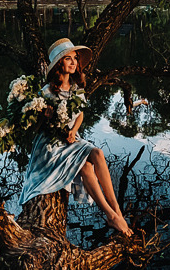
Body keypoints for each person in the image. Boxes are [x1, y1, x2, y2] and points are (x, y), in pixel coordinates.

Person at [20, 38, 133, 236]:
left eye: (75, 59)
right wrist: (44, 117)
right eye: (68, 59)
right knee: (86, 166)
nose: (73, 63)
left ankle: (117, 211)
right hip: (50, 144)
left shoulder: (75, 88)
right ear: (59, 64)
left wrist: (73, 131)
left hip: (71, 138)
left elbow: (80, 114)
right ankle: (110, 215)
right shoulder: (45, 92)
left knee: (97, 153)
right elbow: (35, 127)